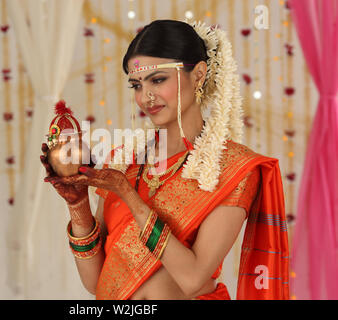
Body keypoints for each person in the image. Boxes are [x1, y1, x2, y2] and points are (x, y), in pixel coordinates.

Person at [41, 20, 289, 300]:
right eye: (136, 85)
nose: (146, 96)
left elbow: (193, 278)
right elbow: (96, 282)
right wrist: (78, 204)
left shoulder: (231, 167)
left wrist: (127, 194)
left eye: (158, 80)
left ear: (198, 75)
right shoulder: (124, 162)